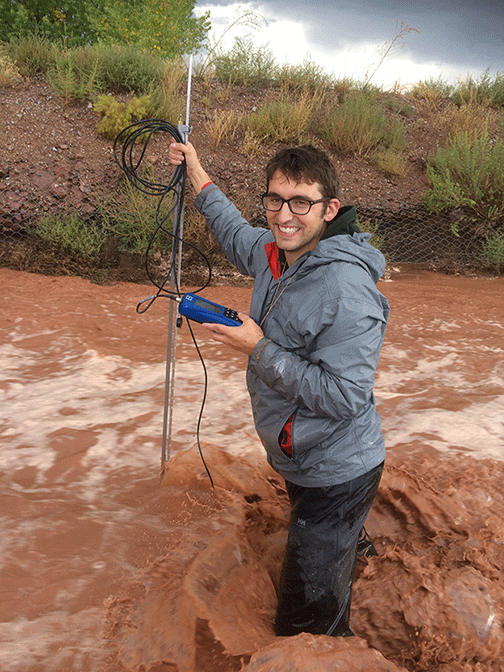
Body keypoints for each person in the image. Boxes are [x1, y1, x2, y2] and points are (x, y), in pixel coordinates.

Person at [169, 140, 390, 638]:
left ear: (330, 209)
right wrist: (197, 172)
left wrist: (257, 347)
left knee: (306, 632)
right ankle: (362, 556)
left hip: (335, 470)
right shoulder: (275, 254)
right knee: (332, 547)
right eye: (275, 200)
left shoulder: (345, 290)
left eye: (300, 203)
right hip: (300, 454)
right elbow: (230, 228)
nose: (285, 215)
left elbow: (346, 396)